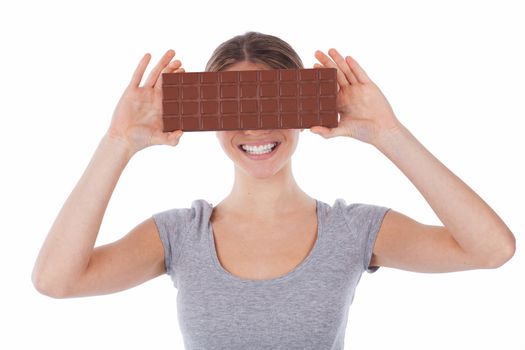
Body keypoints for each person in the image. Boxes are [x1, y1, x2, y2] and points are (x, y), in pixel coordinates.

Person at [32, 32, 516, 349]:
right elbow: (56, 281)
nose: (255, 128)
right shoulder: (181, 235)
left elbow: (492, 249)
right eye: (235, 110)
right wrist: (118, 143)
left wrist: (389, 133)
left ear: (304, 109)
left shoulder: (353, 230)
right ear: (210, 120)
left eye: (272, 104)